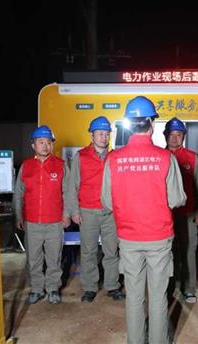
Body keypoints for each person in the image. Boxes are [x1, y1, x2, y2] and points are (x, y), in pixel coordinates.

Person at [101, 96, 186, 344]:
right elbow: (177, 198)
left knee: (134, 296)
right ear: (150, 124)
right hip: (159, 237)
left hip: (128, 238)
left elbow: (106, 201)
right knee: (158, 296)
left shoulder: (113, 159)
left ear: (129, 125)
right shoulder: (165, 158)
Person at [14, 125, 72, 305]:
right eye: (41, 142)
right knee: (34, 258)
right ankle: (37, 289)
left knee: (54, 258)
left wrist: (67, 214)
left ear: (52, 144)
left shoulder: (61, 166)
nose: (45, 146)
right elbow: (19, 194)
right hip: (32, 222)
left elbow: (68, 193)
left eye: (48, 142)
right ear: (33, 145)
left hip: (55, 221)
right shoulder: (26, 166)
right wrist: (18, 216)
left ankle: (53, 288)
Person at [69, 116, 123, 303]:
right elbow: (72, 186)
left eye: (106, 133)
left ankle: (112, 285)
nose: (103, 137)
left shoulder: (114, 157)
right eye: (100, 133)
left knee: (111, 251)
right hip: (88, 212)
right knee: (88, 251)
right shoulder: (81, 157)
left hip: (110, 213)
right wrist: (74, 211)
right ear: (92, 135)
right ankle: (90, 287)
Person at [163, 117, 198, 304]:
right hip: (165, 216)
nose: (174, 138)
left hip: (188, 214)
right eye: (171, 134)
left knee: (189, 251)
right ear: (165, 135)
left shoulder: (191, 157)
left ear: (183, 136)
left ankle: (189, 288)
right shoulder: (159, 156)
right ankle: (171, 286)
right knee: (168, 253)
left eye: (178, 135)